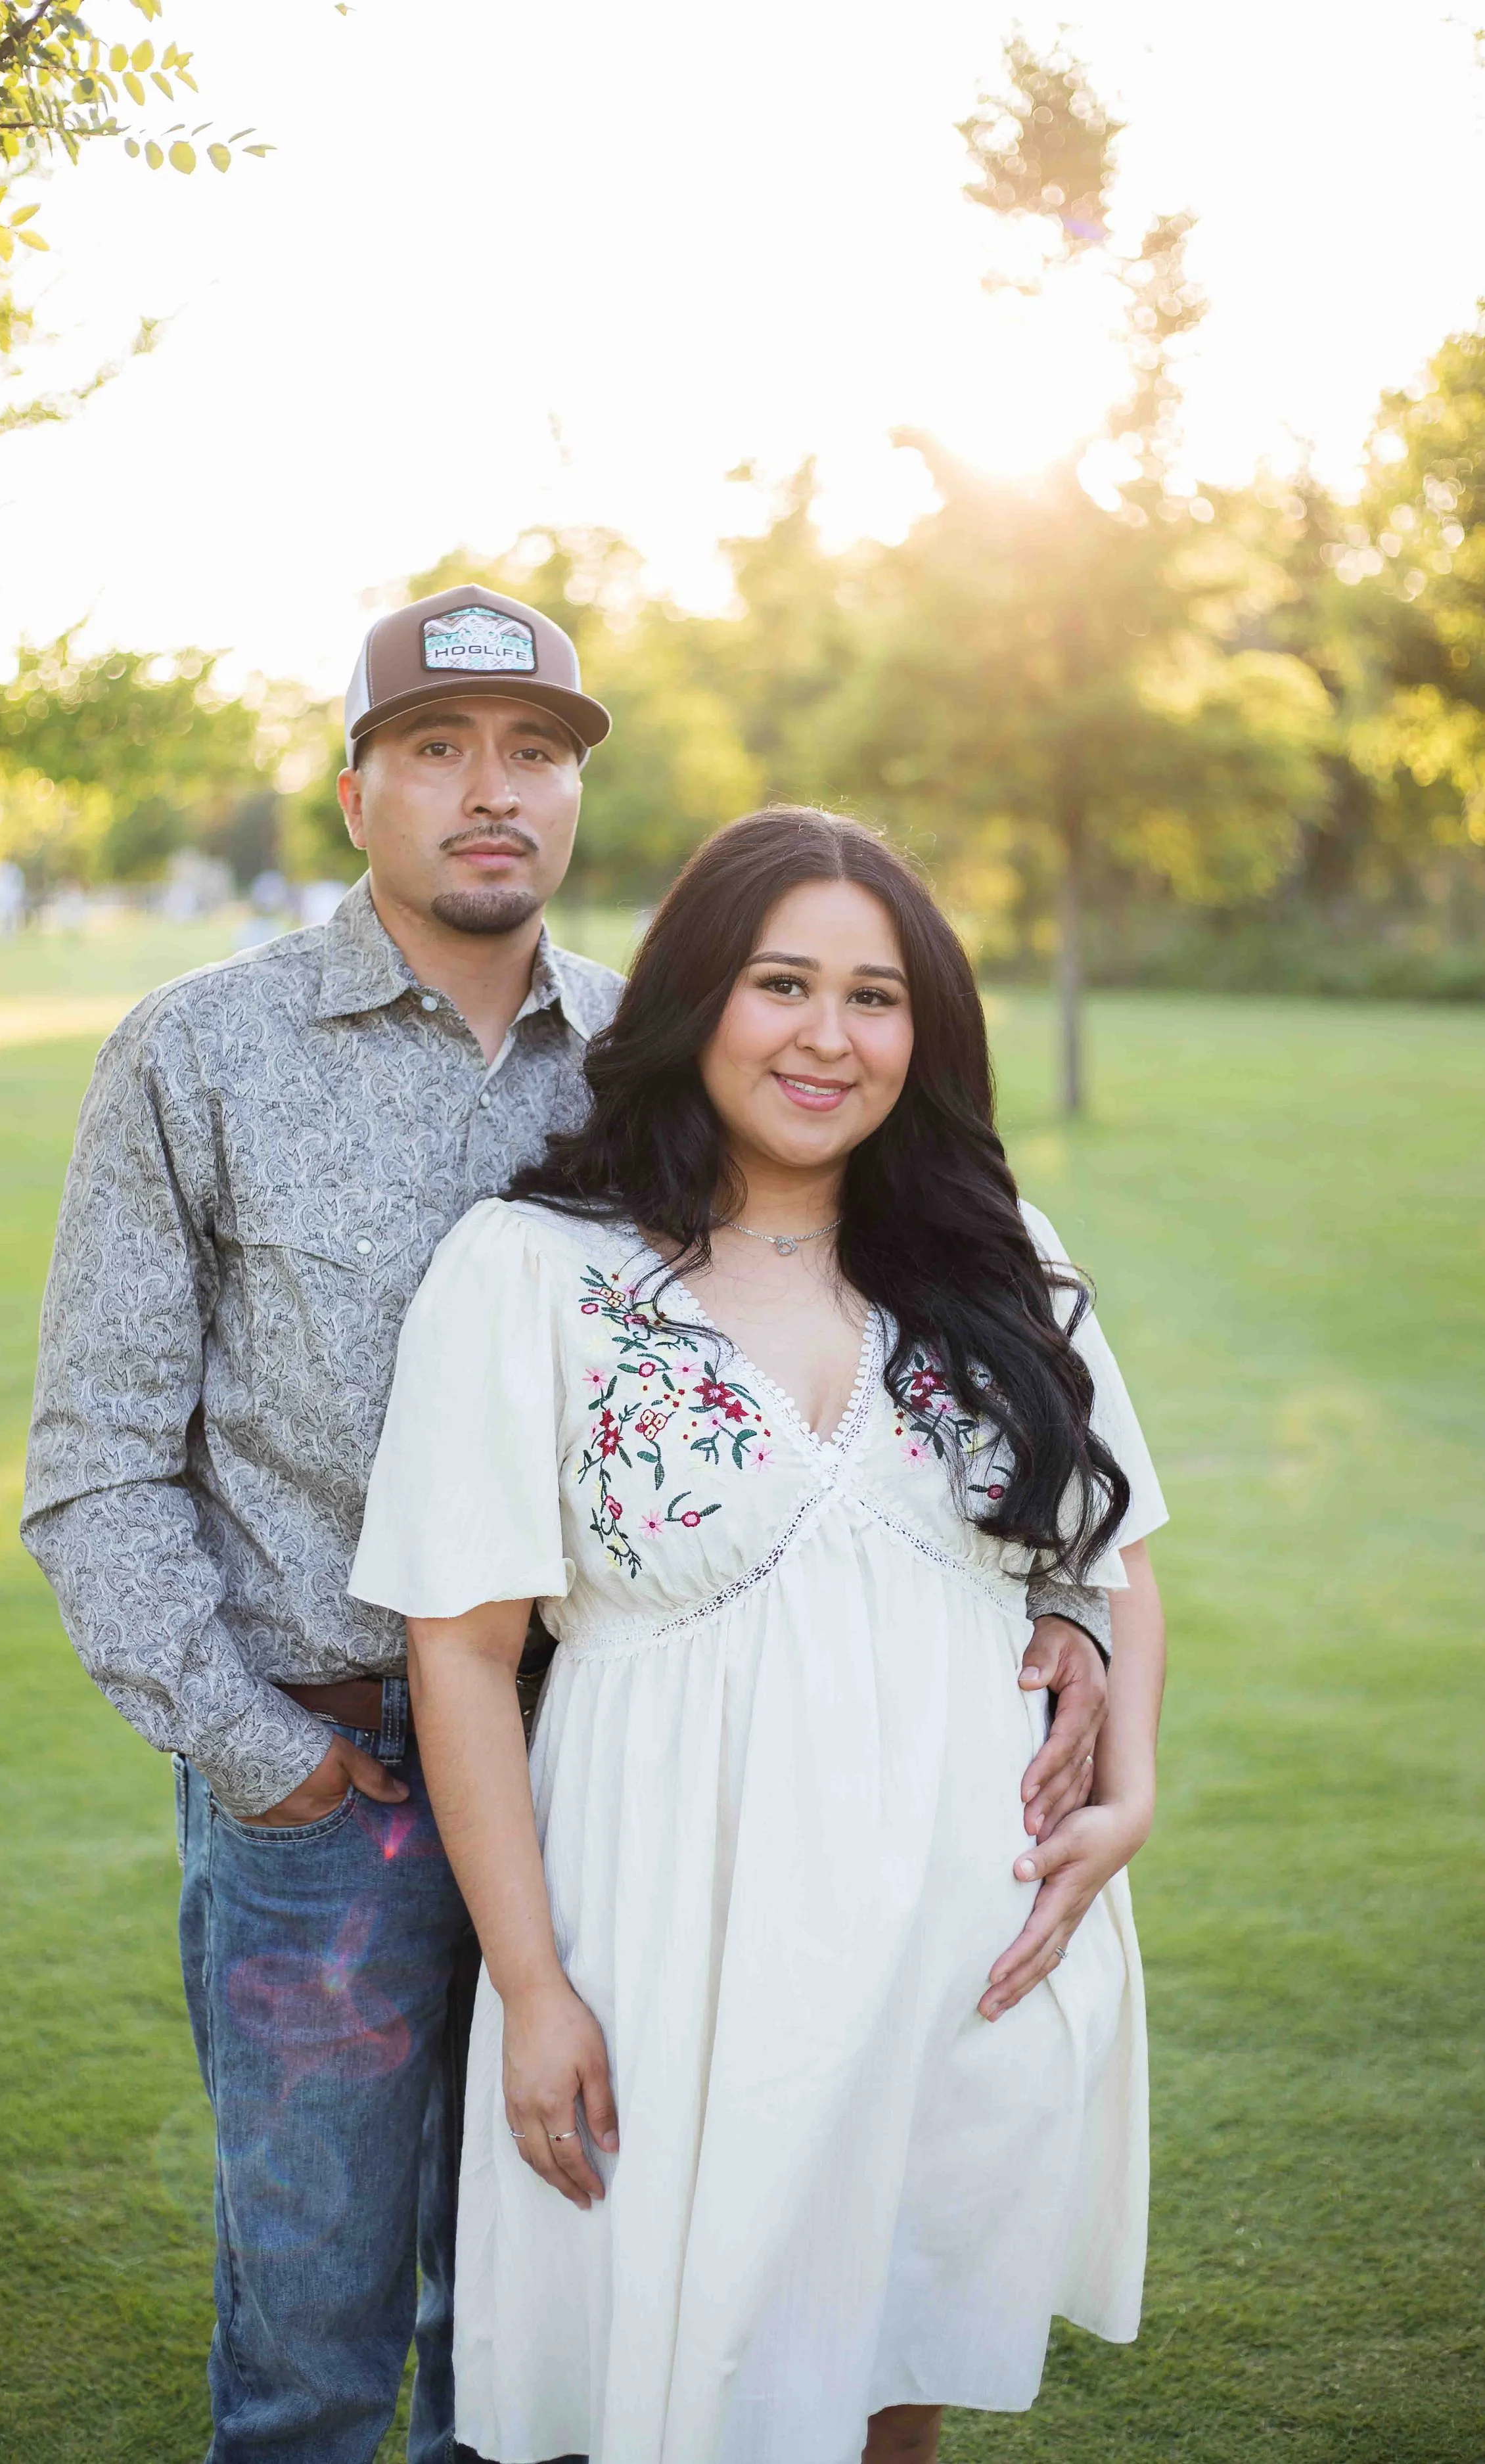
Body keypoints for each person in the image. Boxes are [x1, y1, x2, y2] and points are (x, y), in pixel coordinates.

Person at [22, 578, 1110, 2462]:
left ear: (577, 793)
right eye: (434, 749)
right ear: (354, 791)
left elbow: (899, 1333)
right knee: (313, 2324)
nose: (489, 789)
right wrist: (259, 1752)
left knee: (551, 2313)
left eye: (533, 751)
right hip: (334, 1780)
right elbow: (95, 1462)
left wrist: (1073, 1611)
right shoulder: (197, 1055)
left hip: (623, 1771)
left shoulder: (660, 1045)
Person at [350, 809, 1167, 2464]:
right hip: (669, 1951)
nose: (826, 1036)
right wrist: (530, 1987)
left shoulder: (1001, 1261)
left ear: (920, 1032)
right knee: (679, 2384)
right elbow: (459, 1649)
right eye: (779, 983)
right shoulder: (531, 1275)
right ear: (694, 1000)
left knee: (889, 2369)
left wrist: (1127, 1787)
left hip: (968, 1943)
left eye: (873, 998)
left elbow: (1115, 1554)